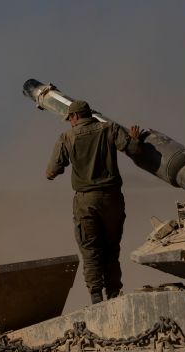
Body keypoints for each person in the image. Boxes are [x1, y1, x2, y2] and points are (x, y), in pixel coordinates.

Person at [45, 99, 143, 304]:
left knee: (91, 250)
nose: (70, 122)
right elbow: (133, 151)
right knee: (111, 249)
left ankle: (96, 296)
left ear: (75, 116)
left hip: (86, 202)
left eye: (70, 119)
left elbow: (51, 172)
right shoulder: (110, 128)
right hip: (112, 199)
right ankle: (114, 294)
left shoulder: (67, 137)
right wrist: (135, 140)